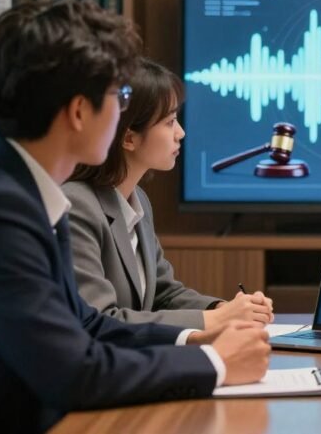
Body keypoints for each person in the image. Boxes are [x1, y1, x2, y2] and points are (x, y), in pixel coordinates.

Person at [0, 1, 271, 433]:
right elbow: (75, 373)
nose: (124, 108)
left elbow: (88, 325)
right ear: (77, 111)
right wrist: (214, 363)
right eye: (120, 95)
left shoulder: (12, 190)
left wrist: (197, 338)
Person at [64, 58, 274, 330]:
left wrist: (223, 308)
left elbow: (164, 294)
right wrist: (215, 320)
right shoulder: (77, 206)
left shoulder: (138, 201)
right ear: (129, 138)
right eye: (170, 121)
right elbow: (100, 320)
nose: (181, 133)